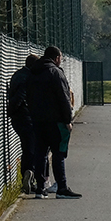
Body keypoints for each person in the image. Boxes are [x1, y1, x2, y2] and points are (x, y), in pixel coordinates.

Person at [27, 45, 79, 198]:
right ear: (56, 58)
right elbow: (64, 98)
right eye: (60, 58)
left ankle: (40, 188)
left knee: (41, 153)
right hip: (55, 121)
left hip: (37, 120)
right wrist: (67, 120)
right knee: (58, 153)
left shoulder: (32, 73)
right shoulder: (56, 72)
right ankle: (61, 187)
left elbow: (28, 97)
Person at [6, 54, 39, 194]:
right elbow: (21, 96)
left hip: (17, 119)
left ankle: (25, 176)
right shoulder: (29, 77)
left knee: (26, 147)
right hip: (26, 117)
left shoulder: (17, 75)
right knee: (32, 148)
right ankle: (30, 173)